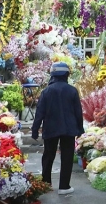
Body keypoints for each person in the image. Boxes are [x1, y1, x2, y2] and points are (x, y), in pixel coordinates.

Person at [32, 62, 84, 196]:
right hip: (69, 129)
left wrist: (35, 129)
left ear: (52, 74)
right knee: (67, 156)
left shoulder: (46, 92)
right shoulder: (72, 90)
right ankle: (64, 186)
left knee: (48, 155)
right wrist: (80, 129)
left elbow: (39, 113)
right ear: (66, 74)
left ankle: (46, 184)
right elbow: (78, 112)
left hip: (50, 129)